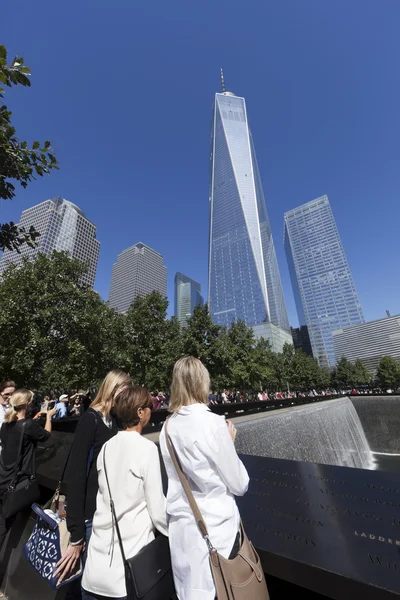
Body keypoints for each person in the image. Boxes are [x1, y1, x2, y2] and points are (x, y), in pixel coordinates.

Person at [160, 356, 249, 600]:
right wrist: (229, 445)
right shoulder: (214, 423)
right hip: (218, 534)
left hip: (182, 533)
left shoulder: (167, 427)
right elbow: (240, 484)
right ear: (203, 382)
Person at [82, 384, 168, 599]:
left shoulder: (106, 448)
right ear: (140, 412)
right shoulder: (146, 449)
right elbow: (158, 512)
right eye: (150, 406)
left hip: (95, 567)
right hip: (129, 570)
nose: (152, 409)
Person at [55, 370, 131, 593]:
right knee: (86, 584)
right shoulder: (90, 420)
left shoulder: (114, 420)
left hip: (105, 514)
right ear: (114, 389)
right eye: (125, 392)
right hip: (87, 518)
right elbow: (77, 475)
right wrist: (76, 533)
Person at [0, 389, 57, 548]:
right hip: (17, 482)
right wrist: (49, 417)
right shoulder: (28, 425)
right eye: (31, 400)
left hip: (3, 477)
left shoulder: (5, 425)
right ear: (26, 404)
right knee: (4, 526)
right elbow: (46, 435)